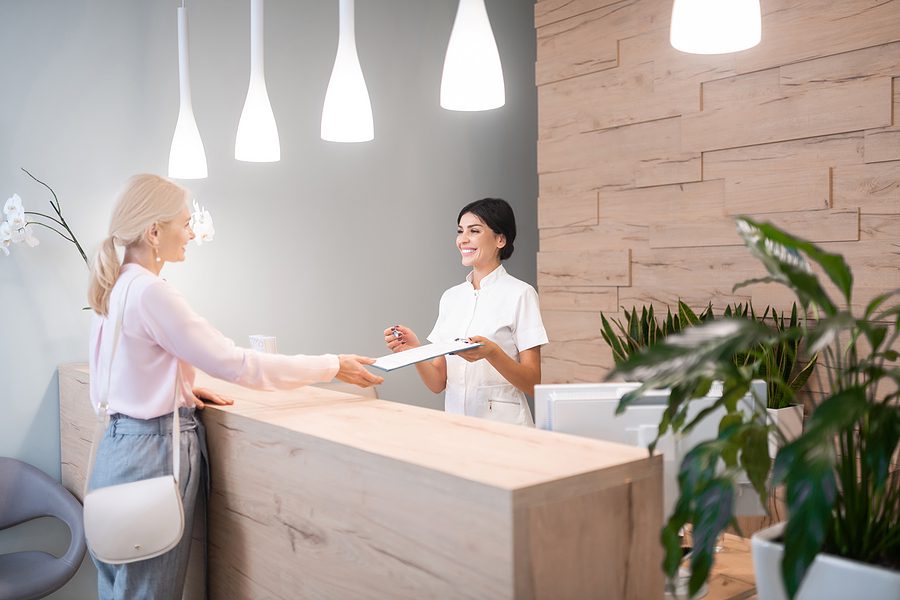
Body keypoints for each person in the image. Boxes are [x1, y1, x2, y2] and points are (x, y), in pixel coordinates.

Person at [86, 173, 382, 599]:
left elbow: (113, 376)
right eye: (183, 223)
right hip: (151, 454)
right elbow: (237, 364)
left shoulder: (115, 286)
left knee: (121, 588)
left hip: (119, 450)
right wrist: (331, 365)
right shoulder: (152, 292)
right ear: (154, 231)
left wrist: (181, 389)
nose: (190, 233)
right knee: (149, 591)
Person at [383, 198, 548, 426]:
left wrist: (492, 353)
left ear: (500, 239)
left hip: (505, 427)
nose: (463, 239)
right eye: (461, 231)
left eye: (474, 231)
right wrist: (414, 350)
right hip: (456, 426)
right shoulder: (451, 298)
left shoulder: (521, 294)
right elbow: (438, 383)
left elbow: (533, 383)